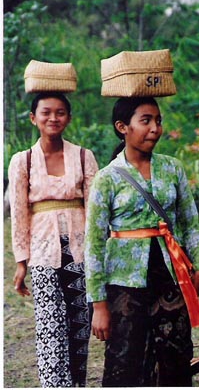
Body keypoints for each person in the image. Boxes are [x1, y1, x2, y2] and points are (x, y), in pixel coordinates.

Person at [84, 96, 199, 386]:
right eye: (146, 121)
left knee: (175, 357)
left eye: (158, 121)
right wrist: (99, 304)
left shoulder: (173, 169)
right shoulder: (107, 178)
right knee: (125, 360)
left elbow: (190, 223)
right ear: (122, 127)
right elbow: (94, 243)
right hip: (124, 284)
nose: (155, 128)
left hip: (170, 277)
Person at [8, 91, 99, 387]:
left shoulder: (84, 156)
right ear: (34, 118)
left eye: (60, 112)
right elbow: (20, 213)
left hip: (80, 252)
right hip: (43, 255)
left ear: (68, 119)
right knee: (50, 328)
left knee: (79, 326)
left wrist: (98, 257)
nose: (53, 118)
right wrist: (21, 262)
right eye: (46, 112)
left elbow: (95, 209)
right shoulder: (23, 161)